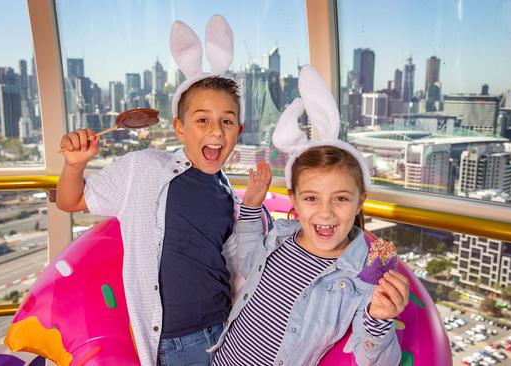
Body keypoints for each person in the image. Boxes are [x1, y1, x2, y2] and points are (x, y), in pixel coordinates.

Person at [56, 15, 253, 366]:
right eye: (202, 119)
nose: (216, 131)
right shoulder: (144, 169)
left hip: (226, 331)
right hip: (177, 344)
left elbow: (234, 263)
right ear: (179, 128)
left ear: (238, 129)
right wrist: (75, 164)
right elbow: (70, 200)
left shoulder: (227, 195)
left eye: (226, 121)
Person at [210, 65, 408, 366]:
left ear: (359, 203)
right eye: (311, 199)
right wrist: (250, 208)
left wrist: (379, 320)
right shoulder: (279, 237)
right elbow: (248, 264)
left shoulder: (363, 274)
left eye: (340, 198)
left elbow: (377, 360)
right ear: (295, 202)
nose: (325, 212)